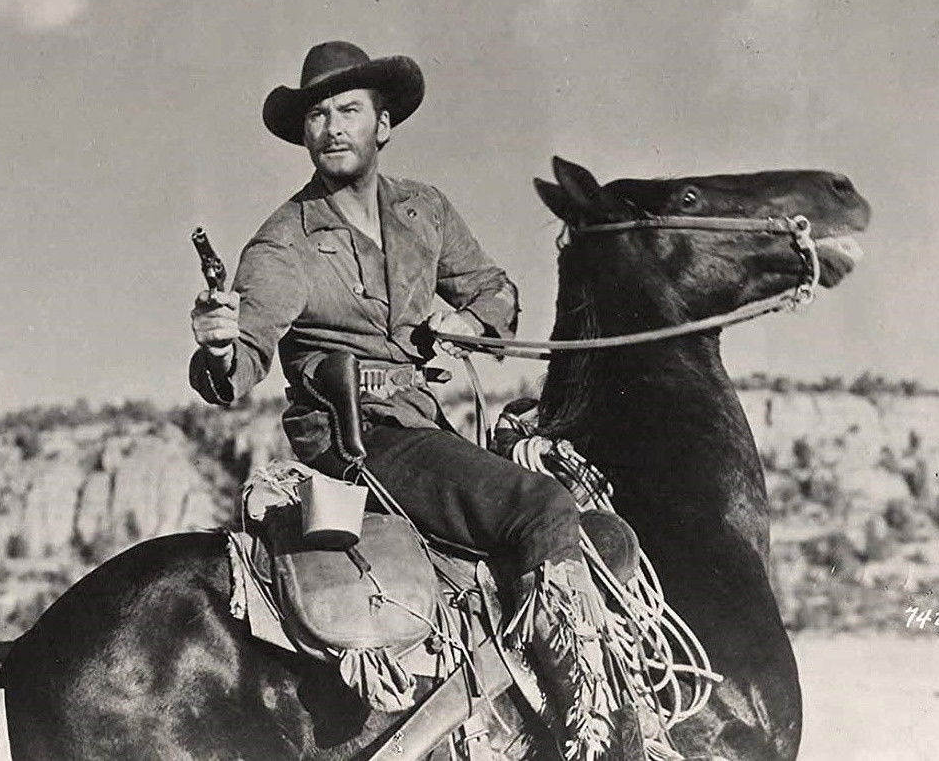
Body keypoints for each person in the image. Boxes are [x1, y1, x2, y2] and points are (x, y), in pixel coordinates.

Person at [188, 41, 626, 759]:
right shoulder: (282, 245)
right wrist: (217, 346)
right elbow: (241, 363)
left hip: (425, 427)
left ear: (382, 125)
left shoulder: (424, 210)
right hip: (355, 441)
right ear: (304, 134)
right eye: (317, 116)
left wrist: (470, 322)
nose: (332, 127)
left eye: (349, 111)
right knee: (542, 506)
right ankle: (588, 724)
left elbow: (495, 291)